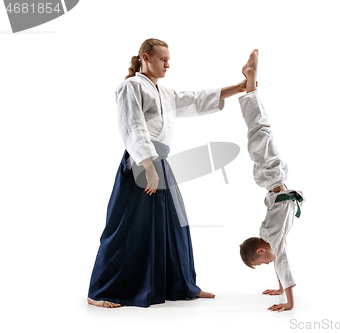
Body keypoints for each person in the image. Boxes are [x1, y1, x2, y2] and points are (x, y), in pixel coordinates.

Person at [87, 38, 248, 308]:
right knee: (127, 227)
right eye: (163, 59)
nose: (168, 65)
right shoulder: (131, 87)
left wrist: (241, 86)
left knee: (175, 226)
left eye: (168, 59)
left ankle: (184, 285)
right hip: (141, 164)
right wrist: (148, 167)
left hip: (161, 162)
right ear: (145, 58)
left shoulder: (165, 93)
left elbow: (197, 99)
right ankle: (100, 292)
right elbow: (133, 127)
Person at [238, 49, 305, 312]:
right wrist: (279, 289)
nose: (268, 263)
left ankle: (250, 79)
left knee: (258, 128)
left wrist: (288, 302)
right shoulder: (272, 237)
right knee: (259, 129)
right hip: (271, 176)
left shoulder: (272, 236)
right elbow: (279, 261)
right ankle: (250, 83)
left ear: (259, 251)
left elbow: (281, 263)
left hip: (270, 174)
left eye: (262, 262)